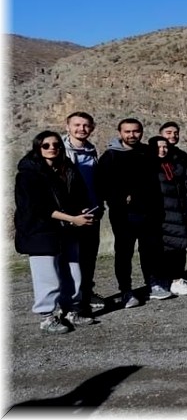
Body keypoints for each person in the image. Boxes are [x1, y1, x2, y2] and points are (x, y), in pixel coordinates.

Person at [15, 131, 93, 333]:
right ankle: (47, 316)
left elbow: (78, 194)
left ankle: (71, 310)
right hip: (40, 231)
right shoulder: (28, 174)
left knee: (73, 272)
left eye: (56, 145)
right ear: (38, 147)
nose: (52, 148)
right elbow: (37, 207)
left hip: (67, 229)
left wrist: (82, 210)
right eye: (46, 145)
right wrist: (72, 219)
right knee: (46, 276)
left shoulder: (67, 168)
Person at [94, 118, 159, 309]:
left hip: (148, 211)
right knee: (124, 253)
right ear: (120, 133)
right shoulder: (110, 156)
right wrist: (120, 198)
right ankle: (126, 290)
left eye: (136, 131)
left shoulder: (147, 152)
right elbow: (101, 185)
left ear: (142, 132)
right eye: (127, 131)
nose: (132, 135)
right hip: (123, 214)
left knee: (149, 250)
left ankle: (153, 283)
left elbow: (154, 181)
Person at [62, 111, 104, 315]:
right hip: (70, 216)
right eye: (77, 125)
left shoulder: (91, 150)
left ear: (92, 128)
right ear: (67, 126)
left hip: (92, 212)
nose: (82, 129)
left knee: (89, 256)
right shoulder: (59, 151)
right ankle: (71, 301)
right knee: (70, 259)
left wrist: (100, 205)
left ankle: (86, 292)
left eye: (86, 125)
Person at [148, 136, 187, 299]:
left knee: (179, 246)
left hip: (178, 211)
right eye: (158, 147)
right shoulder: (149, 167)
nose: (162, 150)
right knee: (163, 249)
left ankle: (178, 278)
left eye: (165, 147)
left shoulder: (175, 165)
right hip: (160, 214)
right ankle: (166, 279)